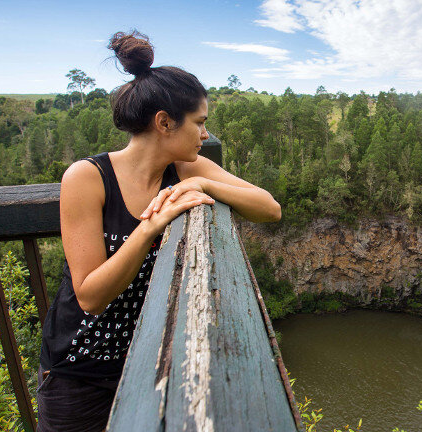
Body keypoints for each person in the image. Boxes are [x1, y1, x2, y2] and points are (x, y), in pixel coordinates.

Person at [37, 30, 281, 431]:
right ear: (165, 122)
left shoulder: (187, 168)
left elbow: (269, 209)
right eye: (200, 123)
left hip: (150, 359)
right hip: (79, 371)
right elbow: (91, 296)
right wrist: (150, 226)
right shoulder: (88, 177)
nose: (206, 135)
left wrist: (204, 185)